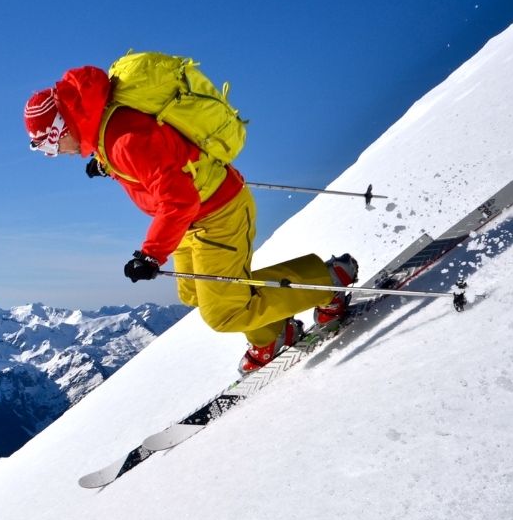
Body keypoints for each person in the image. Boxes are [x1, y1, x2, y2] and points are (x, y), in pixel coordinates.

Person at [24, 61, 358, 375]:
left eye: (48, 146)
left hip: (217, 213)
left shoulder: (123, 141)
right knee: (194, 292)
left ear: (61, 127)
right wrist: (106, 164)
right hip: (192, 220)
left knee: (225, 312)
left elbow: (178, 198)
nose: (53, 155)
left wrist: (151, 254)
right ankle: (273, 332)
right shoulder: (104, 128)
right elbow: (154, 160)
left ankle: (327, 282)